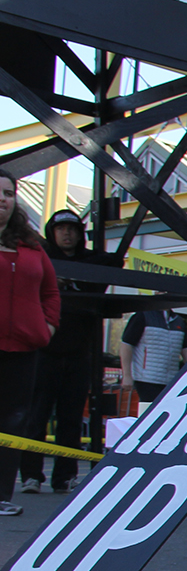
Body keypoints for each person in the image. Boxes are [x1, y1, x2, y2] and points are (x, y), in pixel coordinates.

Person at [19, 209, 116, 494]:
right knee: (36, 417)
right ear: (52, 232)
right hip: (44, 350)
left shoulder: (90, 262)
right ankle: (31, 476)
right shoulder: (40, 258)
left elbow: (114, 260)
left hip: (79, 352)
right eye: (61, 228)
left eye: (72, 229)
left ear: (80, 234)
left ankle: (65, 476)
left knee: (71, 418)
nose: (66, 233)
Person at [0, 169, 60, 517]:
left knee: (13, 422)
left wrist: (47, 327)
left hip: (23, 348)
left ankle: (1, 495)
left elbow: (51, 291)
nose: (2, 199)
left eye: (8, 193)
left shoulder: (32, 245)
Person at [120, 307, 187, 405]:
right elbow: (126, 345)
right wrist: (127, 375)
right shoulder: (142, 316)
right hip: (146, 379)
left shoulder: (178, 320)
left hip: (171, 380)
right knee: (149, 409)